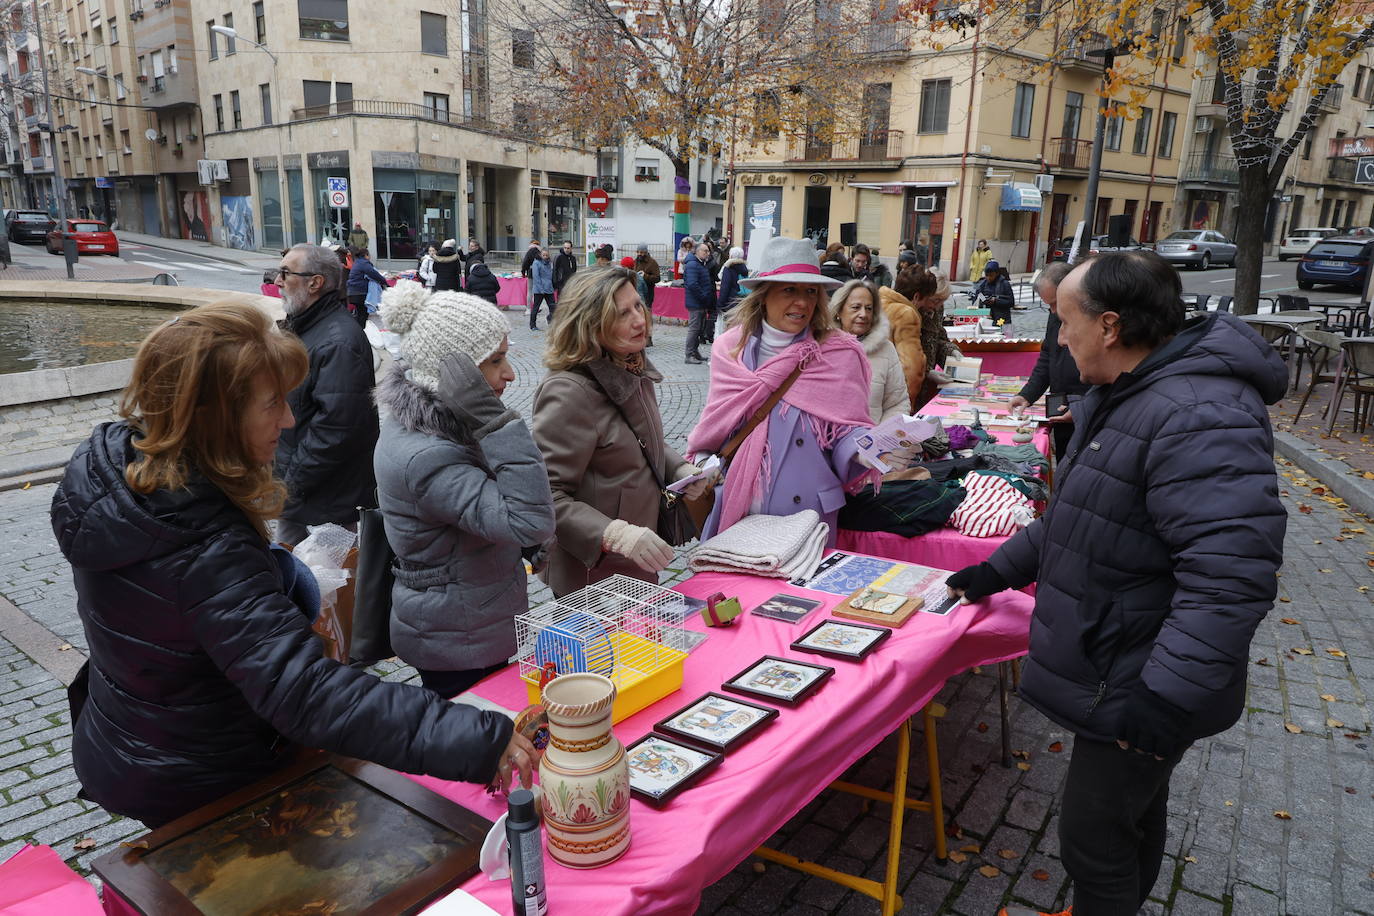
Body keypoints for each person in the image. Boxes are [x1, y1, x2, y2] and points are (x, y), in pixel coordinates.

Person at [50, 301, 535, 828]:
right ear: (215, 416)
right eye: (272, 403)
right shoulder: (203, 545)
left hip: (143, 738)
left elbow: (178, 616)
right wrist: (476, 737)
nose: (288, 418)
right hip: (204, 776)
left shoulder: (125, 477)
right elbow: (304, 692)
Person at [944, 252, 1287, 916]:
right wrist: (992, 572)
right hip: (1126, 661)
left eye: (1064, 323)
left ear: (1107, 326)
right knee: (1132, 813)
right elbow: (1080, 517)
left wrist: (1163, 699)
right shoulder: (1135, 394)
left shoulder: (1194, 411)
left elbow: (1229, 578)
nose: (1059, 340)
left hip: (1142, 676)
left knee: (1093, 839)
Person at [374, 286, 555, 698]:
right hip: (458, 639)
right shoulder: (430, 454)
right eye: (494, 361)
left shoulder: (441, 425)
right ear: (457, 377)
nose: (509, 373)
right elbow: (529, 521)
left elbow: (482, 511)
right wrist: (496, 422)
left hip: (468, 619)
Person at [686, 236, 892, 544]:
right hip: (741, 510)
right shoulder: (730, 349)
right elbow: (717, 421)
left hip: (808, 518)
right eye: (790, 289)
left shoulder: (839, 352)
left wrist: (867, 452)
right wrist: (703, 463)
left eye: (811, 291)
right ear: (763, 295)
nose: (803, 302)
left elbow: (847, 430)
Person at [531, 267, 711, 597]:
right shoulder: (569, 392)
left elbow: (640, 441)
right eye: (621, 313)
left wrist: (680, 469)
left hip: (638, 558)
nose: (639, 320)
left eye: (637, 306)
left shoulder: (629, 367)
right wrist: (616, 535)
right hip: (594, 575)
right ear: (590, 324)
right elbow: (545, 496)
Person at [271, 244, 379, 546]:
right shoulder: (310, 328)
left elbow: (335, 429)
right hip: (305, 498)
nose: (277, 282)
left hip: (327, 505)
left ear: (314, 283)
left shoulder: (339, 342)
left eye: (285, 273)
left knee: (329, 590)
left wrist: (289, 485)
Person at [1007, 261, 1086, 460]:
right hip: (1061, 404)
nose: (1052, 310)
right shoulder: (1055, 315)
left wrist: (1082, 407)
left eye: (1054, 303)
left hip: (1085, 408)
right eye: (1047, 304)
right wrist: (1027, 395)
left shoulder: (1088, 317)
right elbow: (1047, 357)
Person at [830, 279, 906, 423]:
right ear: (839, 311)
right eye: (856, 307)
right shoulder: (821, 347)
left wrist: (881, 438)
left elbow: (897, 403)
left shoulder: (886, 349)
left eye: (869, 308)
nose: (863, 314)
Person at [877, 265, 931, 410]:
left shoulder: (876, 303)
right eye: (927, 300)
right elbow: (912, 369)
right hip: (891, 399)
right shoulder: (905, 313)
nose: (928, 306)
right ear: (917, 296)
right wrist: (906, 407)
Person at [913, 269, 963, 407]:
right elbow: (905, 352)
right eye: (936, 300)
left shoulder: (936, 310)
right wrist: (926, 371)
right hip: (911, 380)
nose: (938, 306)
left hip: (925, 383)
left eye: (942, 301)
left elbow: (938, 338)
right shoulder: (911, 312)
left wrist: (951, 351)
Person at [683, 241, 715, 364]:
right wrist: (703, 296)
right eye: (705, 251)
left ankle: (695, 352)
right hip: (696, 302)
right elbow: (692, 284)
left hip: (700, 302)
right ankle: (689, 354)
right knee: (694, 329)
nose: (707, 253)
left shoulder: (700, 264)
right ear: (697, 252)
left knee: (699, 329)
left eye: (708, 251)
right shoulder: (693, 265)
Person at [345, 247, 389, 328]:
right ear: (366, 255)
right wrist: (386, 283)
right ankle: (362, 333)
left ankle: (359, 332)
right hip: (359, 293)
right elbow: (375, 275)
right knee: (363, 315)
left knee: (360, 314)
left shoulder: (357, 262)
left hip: (353, 292)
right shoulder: (364, 263)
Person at [715, 245, 748, 338]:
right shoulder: (744, 268)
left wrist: (720, 304)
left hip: (730, 302)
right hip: (741, 300)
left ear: (731, 256)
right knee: (739, 328)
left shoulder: (729, 267)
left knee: (729, 328)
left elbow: (725, 287)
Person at [973, 259, 1015, 325]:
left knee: (1004, 334)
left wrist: (996, 301)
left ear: (997, 273)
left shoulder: (1005, 284)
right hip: (987, 319)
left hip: (1002, 320)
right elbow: (976, 299)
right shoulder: (983, 285)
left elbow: (1011, 302)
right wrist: (984, 300)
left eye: (991, 275)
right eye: (987, 275)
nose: (989, 278)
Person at [530, 247, 555, 329]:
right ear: (540, 254)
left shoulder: (549, 263)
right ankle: (532, 325)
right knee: (536, 308)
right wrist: (541, 289)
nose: (545, 256)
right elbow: (536, 277)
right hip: (539, 290)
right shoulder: (536, 263)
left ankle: (551, 321)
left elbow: (551, 275)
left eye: (546, 255)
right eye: (543, 255)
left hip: (549, 289)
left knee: (553, 307)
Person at [634, 243, 661, 313]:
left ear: (646, 252)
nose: (639, 254)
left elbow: (657, 278)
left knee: (646, 313)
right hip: (636, 292)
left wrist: (645, 276)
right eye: (638, 252)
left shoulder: (652, 263)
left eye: (642, 252)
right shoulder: (635, 261)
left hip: (648, 293)